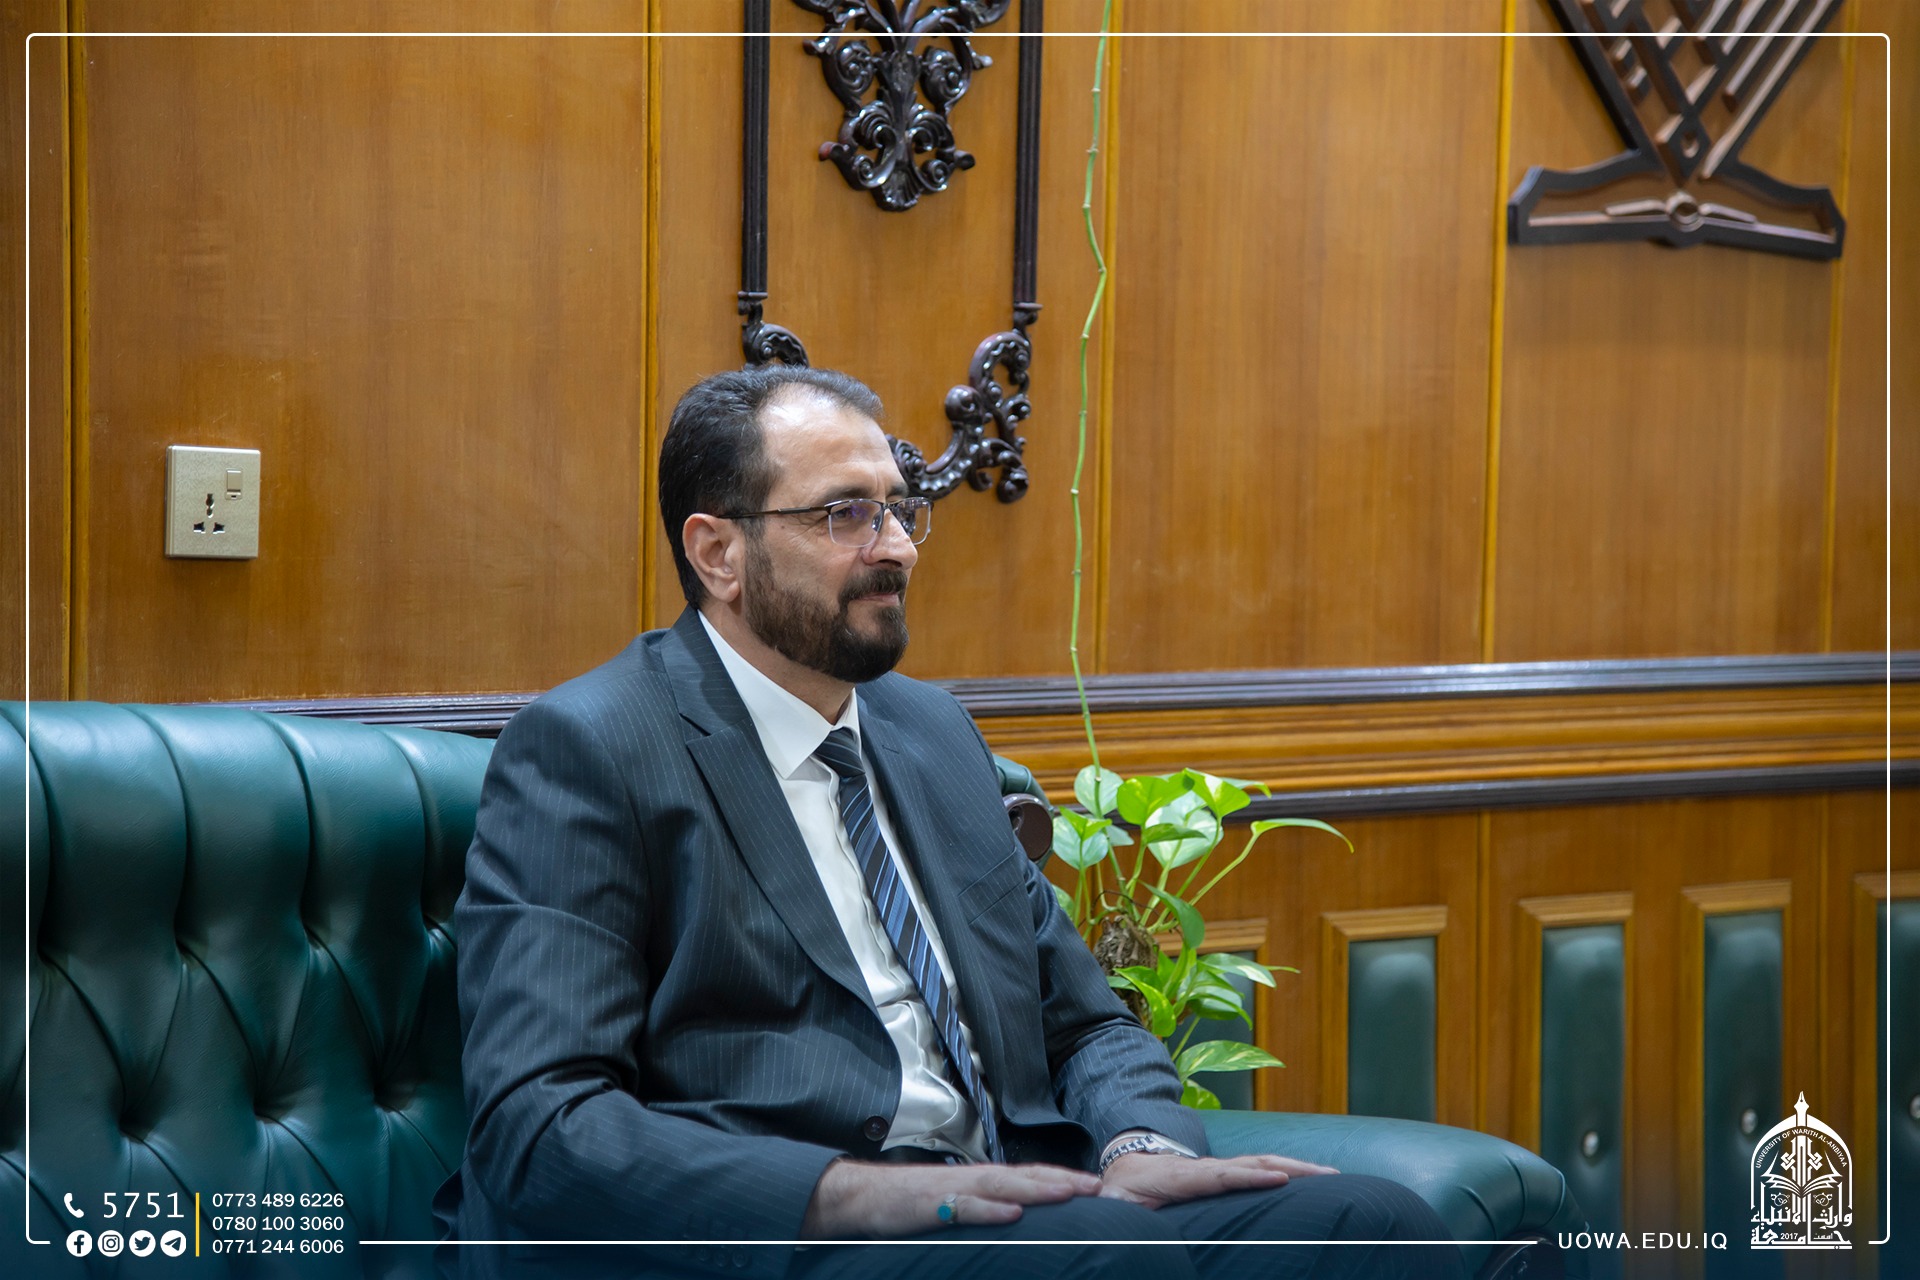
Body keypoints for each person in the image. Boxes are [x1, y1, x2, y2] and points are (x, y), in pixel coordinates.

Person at [439, 365, 1467, 1280]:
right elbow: (541, 1121)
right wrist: (855, 1190)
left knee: (1379, 1226)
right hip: (785, 1228)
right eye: (845, 514)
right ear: (718, 552)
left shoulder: (929, 732)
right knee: (1104, 1250)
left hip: (1022, 1207)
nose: (894, 547)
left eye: (900, 508)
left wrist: (1139, 1146)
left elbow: (1086, 1022)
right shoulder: (592, 748)